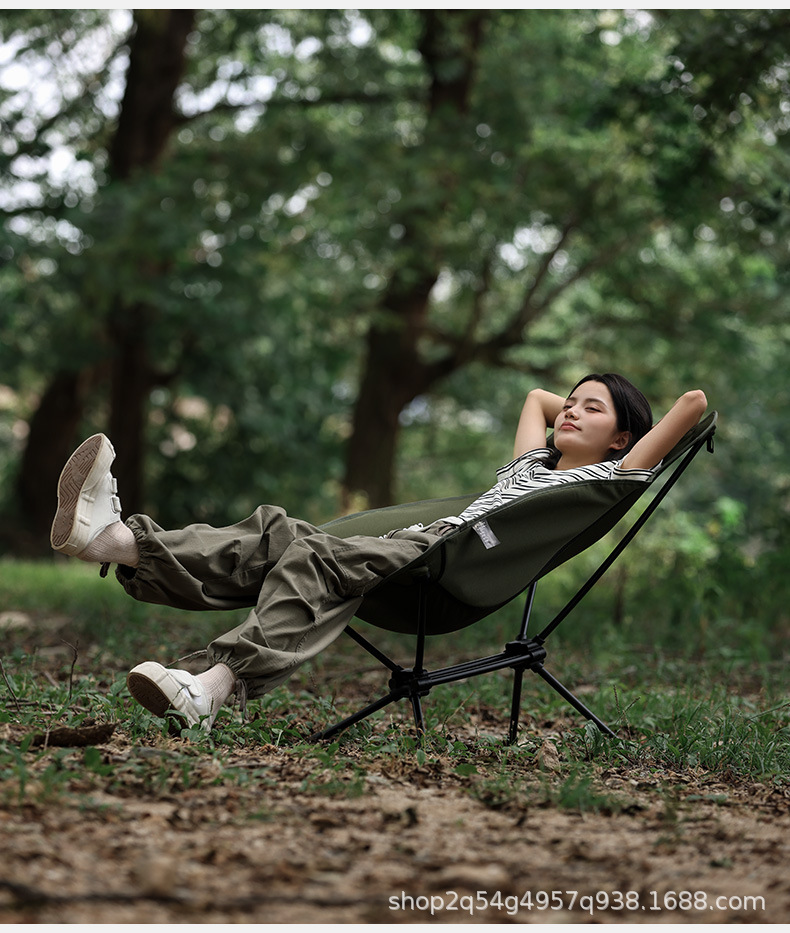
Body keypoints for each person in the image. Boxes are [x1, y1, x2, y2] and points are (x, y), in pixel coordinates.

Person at [49, 374, 708, 733]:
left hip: (452, 563)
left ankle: (214, 686)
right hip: (414, 546)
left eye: (592, 409)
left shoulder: (608, 477)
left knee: (318, 557)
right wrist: (575, 405)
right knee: (283, 535)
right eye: (572, 402)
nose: (569, 411)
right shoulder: (529, 466)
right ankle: (114, 541)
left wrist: (624, 432)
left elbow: (692, 405)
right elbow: (536, 399)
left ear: (622, 437)